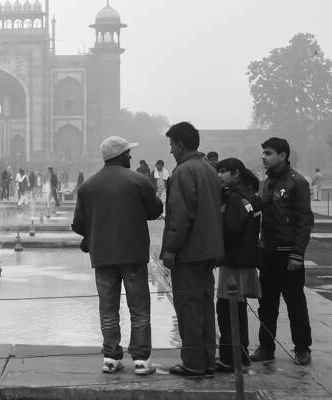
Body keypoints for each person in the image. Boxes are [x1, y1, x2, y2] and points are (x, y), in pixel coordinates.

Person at [72, 136, 163, 375]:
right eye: (128, 154)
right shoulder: (137, 181)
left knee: (108, 308)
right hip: (133, 254)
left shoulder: (88, 186)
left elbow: (78, 224)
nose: (130, 157)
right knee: (139, 308)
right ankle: (141, 360)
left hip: (103, 256)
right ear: (120, 156)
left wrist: (96, 232)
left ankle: (111, 358)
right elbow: (155, 211)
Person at [159, 121, 223, 377]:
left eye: (172, 145)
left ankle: (193, 364)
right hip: (207, 250)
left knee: (189, 308)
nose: (171, 151)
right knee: (205, 307)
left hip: (189, 252)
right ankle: (207, 360)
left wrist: (171, 249)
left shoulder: (184, 172)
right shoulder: (207, 169)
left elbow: (180, 216)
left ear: (181, 145)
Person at [252, 137, 314, 367]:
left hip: (288, 255)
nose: (263, 157)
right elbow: (258, 211)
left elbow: (304, 221)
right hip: (268, 252)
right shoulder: (266, 183)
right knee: (266, 304)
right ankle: (266, 346)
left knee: (295, 304)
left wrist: (298, 254)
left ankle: (302, 348)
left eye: (268, 153)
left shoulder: (297, 182)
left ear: (283, 155)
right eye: (263, 153)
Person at [214, 157, 264, 372]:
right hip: (245, 257)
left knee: (227, 309)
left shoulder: (235, 198)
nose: (219, 175)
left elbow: (231, 230)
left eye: (224, 171)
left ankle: (230, 357)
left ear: (236, 173)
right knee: (238, 308)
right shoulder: (250, 195)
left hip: (233, 259)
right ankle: (240, 355)